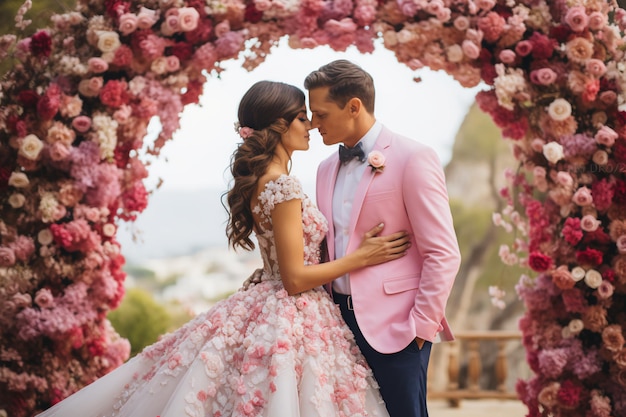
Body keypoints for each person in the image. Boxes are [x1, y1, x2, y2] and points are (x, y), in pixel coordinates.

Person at [34, 80, 411, 417]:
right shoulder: (284, 187)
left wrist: (275, 272)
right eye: (301, 117)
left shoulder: (265, 180)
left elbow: (281, 265)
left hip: (271, 296)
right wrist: (360, 258)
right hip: (295, 309)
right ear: (278, 126)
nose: (310, 124)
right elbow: (295, 278)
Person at [304, 60, 462, 417]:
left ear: (354, 106)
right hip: (335, 325)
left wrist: (419, 328)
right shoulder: (324, 168)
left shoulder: (413, 158)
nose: (314, 124)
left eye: (321, 113)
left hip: (397, 328)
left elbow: (444, 253)